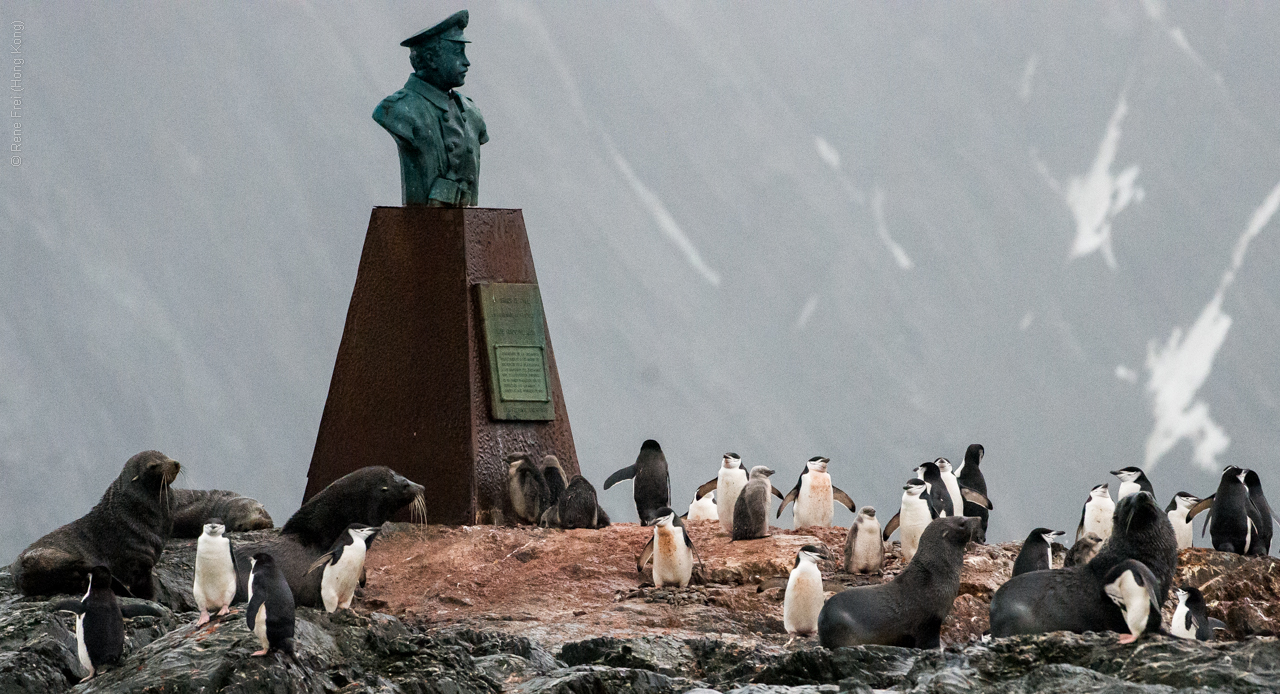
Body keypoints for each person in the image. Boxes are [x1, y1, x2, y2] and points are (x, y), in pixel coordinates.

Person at [373, 10, 487, 206]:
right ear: (431, 58)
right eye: (458, 52)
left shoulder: (471, 112)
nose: (467, 62)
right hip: (422, 227)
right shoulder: (398, 110)